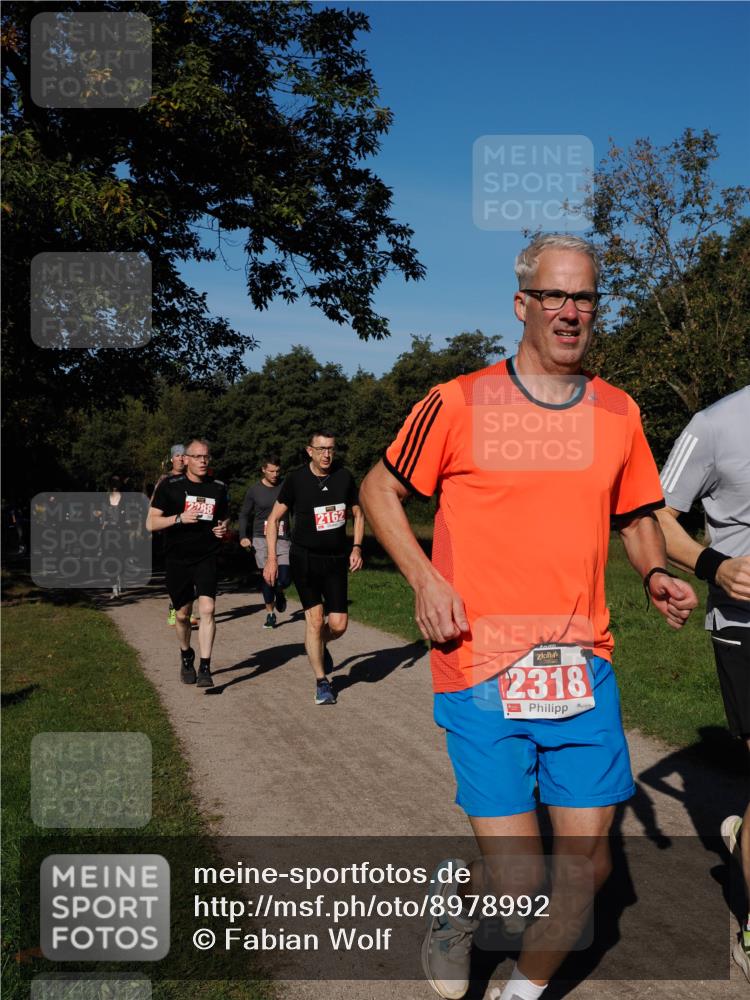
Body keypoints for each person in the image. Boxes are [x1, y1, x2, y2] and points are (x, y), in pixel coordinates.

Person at [359, 233, 698, 1000]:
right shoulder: (456, 401)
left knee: (588, 869)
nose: (571, 311)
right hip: (479, 663)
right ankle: (460, 899)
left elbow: (638, 512)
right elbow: (380, 489)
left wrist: (652, 572)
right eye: (555, 296)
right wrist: (421, 577)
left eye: (584, 297)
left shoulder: (617, 412)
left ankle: (519, 994)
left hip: (584, 665)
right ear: (523, 304)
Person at [655, 386, 750, 982]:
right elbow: (653, 515)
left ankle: (741, 831)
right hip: (746, 627)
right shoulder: (714, 425)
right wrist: (715, 566)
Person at [264, 432, 364, 705]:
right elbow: (273, 520)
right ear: (310, 451)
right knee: (315, 620)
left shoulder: (344, 477)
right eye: (321, 449)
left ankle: (320, 644)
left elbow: (358, 513)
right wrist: (272, 558)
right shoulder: (296, 480)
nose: (327, 455)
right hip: (304, 558)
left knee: (338, 625)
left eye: (331, 449)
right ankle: (322, 682)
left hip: (335, 559)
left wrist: (356, 547)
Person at [147, 439, 229, 688]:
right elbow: (151, 523)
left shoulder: (218, 488)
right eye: (197, 457)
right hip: (177, 558)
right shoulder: (169, 486)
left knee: (207, 609)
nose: (203, 461)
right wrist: (179, 518)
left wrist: (223, 528)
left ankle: (205, 666)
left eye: (206, 457)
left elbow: (224, 517)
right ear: (186, 459)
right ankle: (186, 654)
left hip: (207, 555)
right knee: (182, 615)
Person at [239, 455, 292, 629]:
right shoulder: (254, 490)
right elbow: (244, 514)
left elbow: (297, 510)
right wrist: (242, 536)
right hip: (261, 539)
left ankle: (280, 591)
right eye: (271, 471)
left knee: (284, 578)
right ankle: (270, 614)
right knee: (268, 578)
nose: (275, 474)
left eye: (277, 470)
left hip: (282, 537)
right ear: (263, 469)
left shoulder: (286, 486)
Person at [151, 445, 188, 626]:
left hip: (191, 531)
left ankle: (186, 609)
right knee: (175, 575)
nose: (181, 459)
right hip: (171, 531)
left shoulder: (192, 477)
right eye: (178, 456)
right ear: (172, 459)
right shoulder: (164, 479)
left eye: (184, 455)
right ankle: (174, 605)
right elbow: (153, 505)